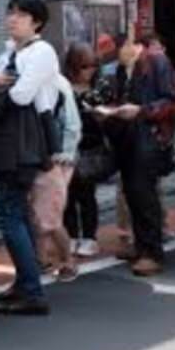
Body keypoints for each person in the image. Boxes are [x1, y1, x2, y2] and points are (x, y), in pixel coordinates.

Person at [0, 0, 59, 315]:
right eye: (10, 12)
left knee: (8, 213)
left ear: (37, 22)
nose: (12, 19)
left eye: (21, 14)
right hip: (11, 140)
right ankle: (26, 284)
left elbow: (21, 95)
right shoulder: (10, 52)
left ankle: (31, 289)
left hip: (26, 140)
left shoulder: (42, 52)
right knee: (16, 212)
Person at [100, 33, 175, 277]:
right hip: (127, 138)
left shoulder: (156, 62)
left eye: (118, 50)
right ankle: (141, 245)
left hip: (149, 138)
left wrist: (142, 110)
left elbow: (174, 102)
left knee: (145, 195)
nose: (116, 57)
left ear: (132, 45)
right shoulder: (122, 70)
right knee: (133, 195)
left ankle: (152, 252)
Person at [30, 67, 82, 281]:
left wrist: (64, 155)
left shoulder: (57, 83)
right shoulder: (30, 82)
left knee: (49, 217)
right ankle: (42, 260)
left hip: (54, 160)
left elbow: (72, 125)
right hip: (38, 158)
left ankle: (67, 261)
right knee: (38, 215)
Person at [62, 43, 108, 259]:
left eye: (93, 66)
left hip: (91, 146)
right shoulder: (63, 87)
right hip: (68, 147)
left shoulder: (100, 87)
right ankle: (71, 235)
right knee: (68, 195)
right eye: (84, 66)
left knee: (87, 194)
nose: (89, 71)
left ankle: (90, 237)